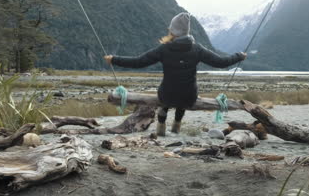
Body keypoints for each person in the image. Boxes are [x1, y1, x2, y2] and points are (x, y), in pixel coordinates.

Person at [104, 12, 246, 136]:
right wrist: (239, 56)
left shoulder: (164, 49)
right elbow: (221, 62)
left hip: (167, 95)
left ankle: (161, 122)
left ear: (174, 31)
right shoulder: (197, 49)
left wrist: (114, 59)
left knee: (167, 94)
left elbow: (138, 62)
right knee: (184, 93)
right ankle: (177, 124)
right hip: (188, 97)